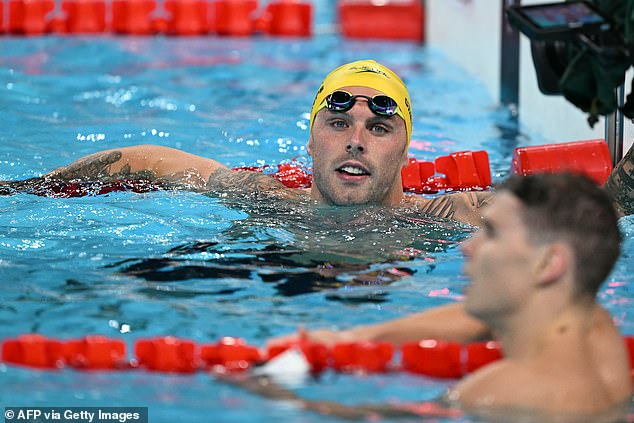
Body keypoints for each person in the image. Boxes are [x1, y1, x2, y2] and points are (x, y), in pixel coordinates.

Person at [256, 173, 632, 422]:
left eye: (493, 234)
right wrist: (354, 339)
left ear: (549, 263)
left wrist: (271, 388)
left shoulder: (503, 393)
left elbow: (377, 416)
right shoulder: (596, 330)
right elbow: (477, 319)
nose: (468, 247)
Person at [0, 60, 494, 226]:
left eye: (379, 129)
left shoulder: (443, 215)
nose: (356, 141)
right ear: (311, 141)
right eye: (338, 123)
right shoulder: (266, 197)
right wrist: (22, 188)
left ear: (407, 153)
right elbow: (143, 161)